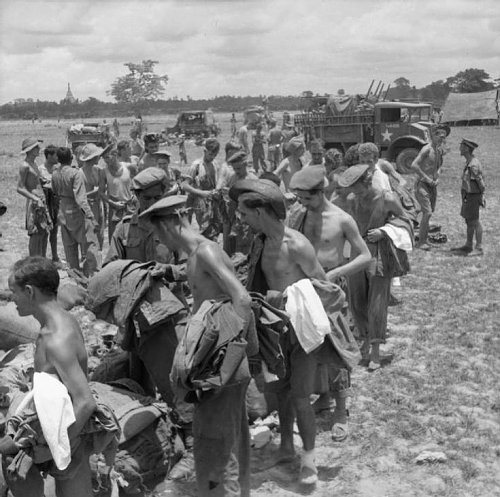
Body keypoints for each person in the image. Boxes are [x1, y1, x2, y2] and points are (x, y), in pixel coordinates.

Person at [142, 195, 256, 497]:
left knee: (215, 446)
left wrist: (225, 359)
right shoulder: (192, 256)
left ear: (171, 223)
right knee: (229, 440)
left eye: (159, 235)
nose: (160, 243)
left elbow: (242, 299)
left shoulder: (206, 251)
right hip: (219, 365)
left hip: (221, 367)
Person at [230, 179, 340, 485]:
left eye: (244, 212)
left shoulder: (297, 245)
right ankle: (287, 447)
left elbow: (324, 288)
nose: (241, 218)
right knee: (280, 391)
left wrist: (290, 299)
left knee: (302, 396)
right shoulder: (260, 242)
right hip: (273, 332)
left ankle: (309, 462)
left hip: (300, 333)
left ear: (261, 211)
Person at [288, 166, 372, 440]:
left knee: (336, 348)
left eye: (307, 199)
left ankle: (340, 411)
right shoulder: (298, 215)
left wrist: (336, 273)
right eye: (299, 199)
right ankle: (323, 396)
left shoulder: (342, 218)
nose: (302, 204)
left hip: (331, 290)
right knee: (310, 344)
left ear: (321, 192)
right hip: (304, 289)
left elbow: (365, 256)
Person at [3, 256, 97, 497]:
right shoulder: (58, 321)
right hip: (61, 426)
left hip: (69, 433)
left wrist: (50, 446)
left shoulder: (55, 338)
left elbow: (85, 402)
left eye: (13, 292)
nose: (11, 298)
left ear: (30, 292)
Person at [337, 165, 412, 369]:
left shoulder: (386, 198)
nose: (355, 192)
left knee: (377, 303)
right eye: (352, 188)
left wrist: (385, 231)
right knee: (356, 300)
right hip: (356, 252)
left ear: (367, 181)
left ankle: (376, 353)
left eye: (357, 187)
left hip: (379, 253)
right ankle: (365, 342)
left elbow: (407, 219)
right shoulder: (352, 200)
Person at [51, 147, 99, 277]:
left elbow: (54, 194)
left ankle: (75, 277)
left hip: (62, 212)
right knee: (89, 245)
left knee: (69, 248)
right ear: (71, 158)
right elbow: (80, 198)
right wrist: (90, 216)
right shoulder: (75, 173)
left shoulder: (55, 173)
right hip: (76, 212)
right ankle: (90, 278)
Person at [411, 125, 449, 250]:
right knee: (427, 212)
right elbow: (414, 165)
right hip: (422, 185)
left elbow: (439, 167)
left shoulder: (438, 151)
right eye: (439, 136)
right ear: (433, 135)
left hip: (432, 186)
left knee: (429, 213)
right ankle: (421, 242)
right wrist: (426, 178)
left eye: (443, 137)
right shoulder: (426, 149)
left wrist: (437, 176)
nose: (441, 138)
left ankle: (424, 239)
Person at [182, 138, 224, 239]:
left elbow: (218, 180)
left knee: (217, 227)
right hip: (200, 203)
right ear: (205, 151)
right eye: (210, 154)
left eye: (215, 155)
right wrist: (201, 193)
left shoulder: (215, 164)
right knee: (206, 230)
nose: (213, 157)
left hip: (213, 201)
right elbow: (185, 185)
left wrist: (217, 190)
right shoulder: (196, 166)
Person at [17, 138, 52, 257]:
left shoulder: (34, 164)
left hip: (41, 200)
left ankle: (41, 259)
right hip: (34, 203)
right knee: (35, 233)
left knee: (44, 232)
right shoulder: (24, 165)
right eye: (36, 148)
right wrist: (34, 198)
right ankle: (34, 260)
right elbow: (20, 188)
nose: (39, 149)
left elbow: (39, 180)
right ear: (30, 150)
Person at [218, 150, 258, 256]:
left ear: (245, 165)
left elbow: (255, 201)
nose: (236, 171)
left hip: (247, 220)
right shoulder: (233, 177)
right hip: (232, 218)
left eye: (239, 168)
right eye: (234, 168)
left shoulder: (252, 179)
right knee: (229, 247)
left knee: (243, 249)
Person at [452, 138, 485, 255]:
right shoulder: (469, 162)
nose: (459, 148)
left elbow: (481, 183)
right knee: (468, 220)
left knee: (475, 221)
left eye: (461, 146)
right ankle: (468, 245)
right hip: (468, 196)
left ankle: (479, 248)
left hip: (473, 196)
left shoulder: (473, 165)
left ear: (466, 148)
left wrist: (481, 196)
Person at [99, 144, 136, 242]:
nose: (106, 161)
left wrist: (134, 196)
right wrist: (113, 203)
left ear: (115, 154)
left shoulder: (128, 167)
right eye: (104, 159)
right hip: (115, 210)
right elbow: (101, 192)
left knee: (131, 236)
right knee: (115, 238)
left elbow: (138, 182)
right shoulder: (104, 172)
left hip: (130, 207)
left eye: (107, 157)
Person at [79, 144, 106, 250]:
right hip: (87, 207)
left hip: (99, 204)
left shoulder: (98, 170)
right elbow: (80, 196)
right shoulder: (80, 174)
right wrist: (94, 192)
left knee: (100, 233)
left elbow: (102, 189)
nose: (99, 158)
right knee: (89, 234)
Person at [39, 145, 61, 264]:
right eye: (55, 155)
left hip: (55, 203)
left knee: (54, 231)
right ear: (49, 156)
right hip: (45, 204)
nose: (57, 157)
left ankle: (55, 256)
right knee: (44, 231)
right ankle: (42, 257)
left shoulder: (57, 169)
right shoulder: (40, 169)